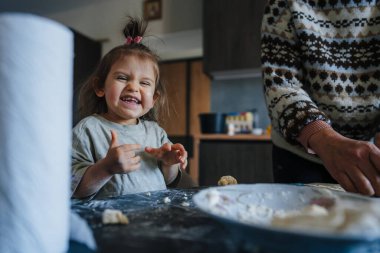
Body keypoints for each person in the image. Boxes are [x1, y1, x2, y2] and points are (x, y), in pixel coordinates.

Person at [261, 0, 380, 196]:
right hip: (300, 153)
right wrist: (324, 138)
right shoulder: (284, 4)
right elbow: (281, 84)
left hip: (370, 151)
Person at [71, 17, 191, 199]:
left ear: (153, 99)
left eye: (144, 82)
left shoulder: (156, 132)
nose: (134, 87)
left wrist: (170, 164)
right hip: (111, 222)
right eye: (122, 78)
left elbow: (168, 180)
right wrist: (106, 168)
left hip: (155, 220)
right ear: (100, 87)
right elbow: (72, 188)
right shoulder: (88, 130)